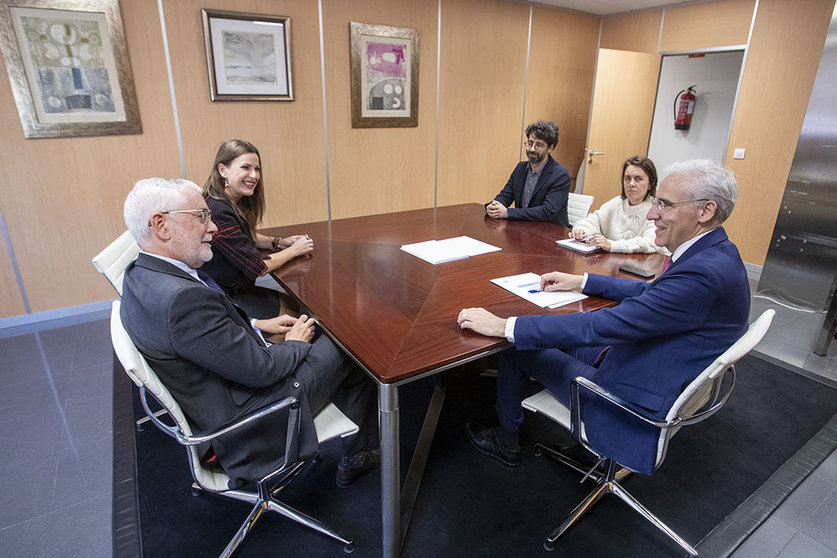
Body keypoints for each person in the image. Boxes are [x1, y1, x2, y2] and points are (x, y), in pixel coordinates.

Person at [458, 159, 749, 475]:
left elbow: (603, 325)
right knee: (545, 332)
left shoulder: (702, 274)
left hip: (625, 399)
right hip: (649, 361)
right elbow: (654, 297)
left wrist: (505, 326)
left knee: (516, 346)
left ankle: (505, 442)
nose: (652, 214)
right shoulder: (717, 252)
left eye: (664, 205)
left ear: (705, 211)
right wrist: (582, 281)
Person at [120, 178, 379, 489]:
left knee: (317, 327)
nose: (213, 227)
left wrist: (257, 325)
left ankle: (349, 431)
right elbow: (263, 369)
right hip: (254, 421)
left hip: (218, 397)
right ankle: (358, 455)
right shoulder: (182, 300)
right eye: (201, 216)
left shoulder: (140, 274)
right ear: (161, 226)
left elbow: (200, 339)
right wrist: (296, 345)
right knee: (349, 342)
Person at [201, 139, 313, 318]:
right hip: (223, 296)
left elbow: (243, 236)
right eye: (245, 168)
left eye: (257, 169)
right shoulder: (218, 211)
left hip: (236, 287)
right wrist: (293, 251)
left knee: (297, 306)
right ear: (223, 170)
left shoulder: (226, 200)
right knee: (297, 316)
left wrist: (277, 242)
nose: (253, 175)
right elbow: (258, 267)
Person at [570, 156, 669, 255]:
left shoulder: (656, 210)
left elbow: (650, 243)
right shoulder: (617, 203)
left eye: (638, 179)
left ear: (650, 184)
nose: (631, 184)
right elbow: (592, 221)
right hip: (614, 262)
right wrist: (582, 230)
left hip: (644, 266)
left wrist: (612, 245)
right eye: (627, 178)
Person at [485, 121, 571, 226]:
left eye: (539, 145)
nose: (532, 149)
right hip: (523, 229)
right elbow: (506, 195)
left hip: (549, 233)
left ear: (550, 148)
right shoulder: (520, 168)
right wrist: (494, 206)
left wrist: (507, 212)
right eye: (530, 143)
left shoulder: (560, 175)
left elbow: (547, 211)